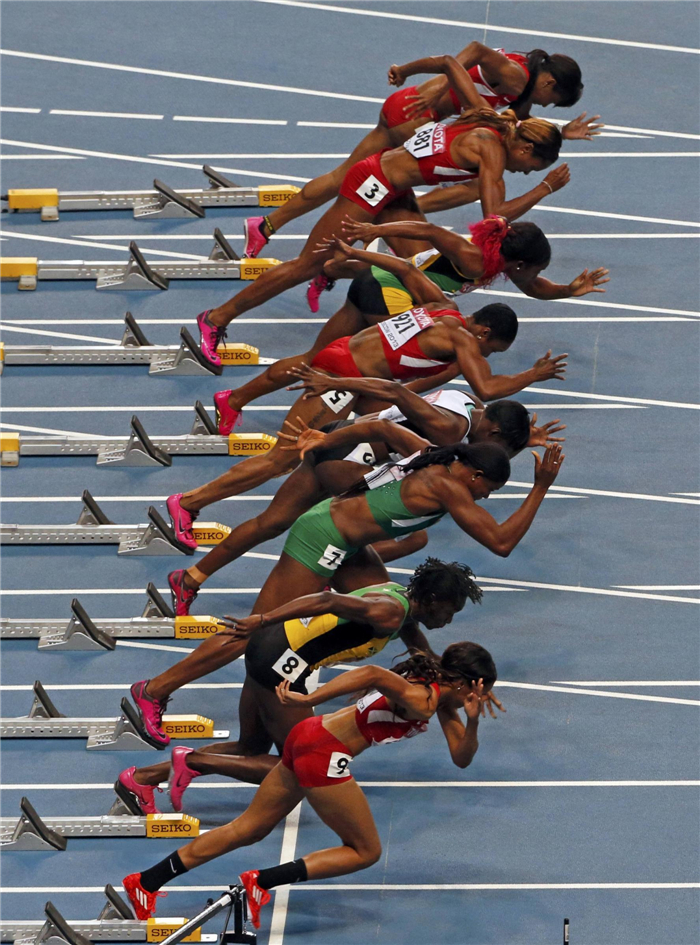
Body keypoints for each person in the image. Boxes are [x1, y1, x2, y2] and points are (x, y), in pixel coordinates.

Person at [129, 441, 563, 745]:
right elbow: (502, 544)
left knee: (400, 605)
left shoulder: (445, 465)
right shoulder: (448, 485)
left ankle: (259, 715)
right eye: (489, 489)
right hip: (324, 537)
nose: (486, 496)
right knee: (255, 631)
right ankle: (154, 690)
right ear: (474, 473)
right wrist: (541, 485)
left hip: (349, 543)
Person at [193, 54, 567, 369]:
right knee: (306, 263)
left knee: (420, 265)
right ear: (525, 150)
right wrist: (544, 188)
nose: (525, 173)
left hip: (395, 190)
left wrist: (405, 70)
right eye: (531, 168)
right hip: (373, 182)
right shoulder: (492, 151)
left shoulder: (490, 118)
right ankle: (216, 318)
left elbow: (450, 63)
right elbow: (494, 217)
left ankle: (338, 271)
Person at [121, 644, 500, 928]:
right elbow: (370, 672)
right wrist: (310, 697)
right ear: (469, 683)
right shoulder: (422, 699)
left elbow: (461, 758)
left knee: (248, 829)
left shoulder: (439, 698)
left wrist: (474, 720)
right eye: (482, 690)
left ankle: (147, 882)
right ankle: (262, 881)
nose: (482, 697)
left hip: (308, 736)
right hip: (325, 754)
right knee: (365, 851)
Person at [167, 385, 563, 615]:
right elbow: (498, 535)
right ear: (491, 433)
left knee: (273, 521)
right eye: (504, 446)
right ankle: (331, 564)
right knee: (394, 516)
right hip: (349, 459)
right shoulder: (450, 434)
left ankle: (191, 579)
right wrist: (541, 485)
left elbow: (395, 409)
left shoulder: (462, 404)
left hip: (348, 440)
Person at [119, 559, 483, 796]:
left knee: (250, 749)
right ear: (433, 599)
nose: (449, 621)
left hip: (271, 650)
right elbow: (327, 601)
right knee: (295, 769)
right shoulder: (388, 612)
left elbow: (418, 645)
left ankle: (142, 779)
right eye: (451, 611)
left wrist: (456, 676)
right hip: (278, 663)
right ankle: (191, 762)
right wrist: (262, 618)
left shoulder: (398, 601)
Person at [205, 226, 603, 432]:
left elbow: (533, 286)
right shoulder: (476, 259)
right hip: (392, 294)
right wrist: (371, 232)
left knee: (318, 360)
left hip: (377, 283)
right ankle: (342, 427)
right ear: (520, 263)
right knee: (401, 369)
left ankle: (234, 399)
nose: (536, 277)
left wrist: (568, 290)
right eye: (537, 269)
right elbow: (427, 233)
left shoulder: (502, 261)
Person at [242, 44, 598, 258]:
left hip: (405, 106)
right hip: (418, 113)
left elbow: (517, 128)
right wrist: (440, 84)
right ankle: (374, 239)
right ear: (549, 83)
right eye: (552, 102)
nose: (546, 106)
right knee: (465, 181)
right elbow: (471, 50)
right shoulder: (516, 74)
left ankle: (265, 225)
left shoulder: (522, 79)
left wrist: (560, 133)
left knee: (342, 177)